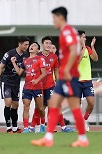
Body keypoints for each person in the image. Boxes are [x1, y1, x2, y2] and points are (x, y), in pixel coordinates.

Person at [31, 7, 89, 147]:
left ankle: (80, 139)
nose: (53, 21)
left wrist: (68, 69)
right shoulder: (68, 31)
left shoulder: (67, 31)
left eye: (54, 18)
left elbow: (73, 48)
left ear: (60, 17)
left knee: (67, 106)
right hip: (66, 76)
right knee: (54, 104)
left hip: (68, 76)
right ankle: (51, 138)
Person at [30, 36, 74, 133]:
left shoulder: (54, 57)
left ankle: (59, 127)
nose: (48, 45)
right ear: (42, 44)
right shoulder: (37, 56)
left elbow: (56, 70)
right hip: (39, 86)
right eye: (46, 43)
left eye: (50, 43)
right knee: (39, 107)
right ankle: (32, 127)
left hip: (50, 85)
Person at [0, 36, 29, 133]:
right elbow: (1, 67)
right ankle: (8, 127)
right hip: (6, 80)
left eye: (28, 44)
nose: (27, 46)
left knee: (15, 105)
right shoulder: (9, 54)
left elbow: (22, 71)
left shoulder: (26, 55)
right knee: (8, 102)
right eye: (25, 44)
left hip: (16, 82)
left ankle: (15, 127)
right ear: (20, 44)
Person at [11, 42, 46, 133]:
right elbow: (19, 72)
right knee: (26, 107)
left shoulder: (40, 59)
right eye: (31, 45)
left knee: (40, 108)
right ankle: (26, 128)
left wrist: (37, 80)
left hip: (37, 87)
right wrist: (14, 63)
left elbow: (44, 73)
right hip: (27, 88)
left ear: (38, 50)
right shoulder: (25, 60)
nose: (31, 46)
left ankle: (42, 124)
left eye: (34, 46)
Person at [78, 30, 98, 131]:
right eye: (83, 37)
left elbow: (95, 58)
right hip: (76, 81)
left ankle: (84, 120)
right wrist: (82, 47)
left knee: (91, 102)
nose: (85, 38)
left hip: (87, 81)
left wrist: (92, 47)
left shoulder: (88, 49)